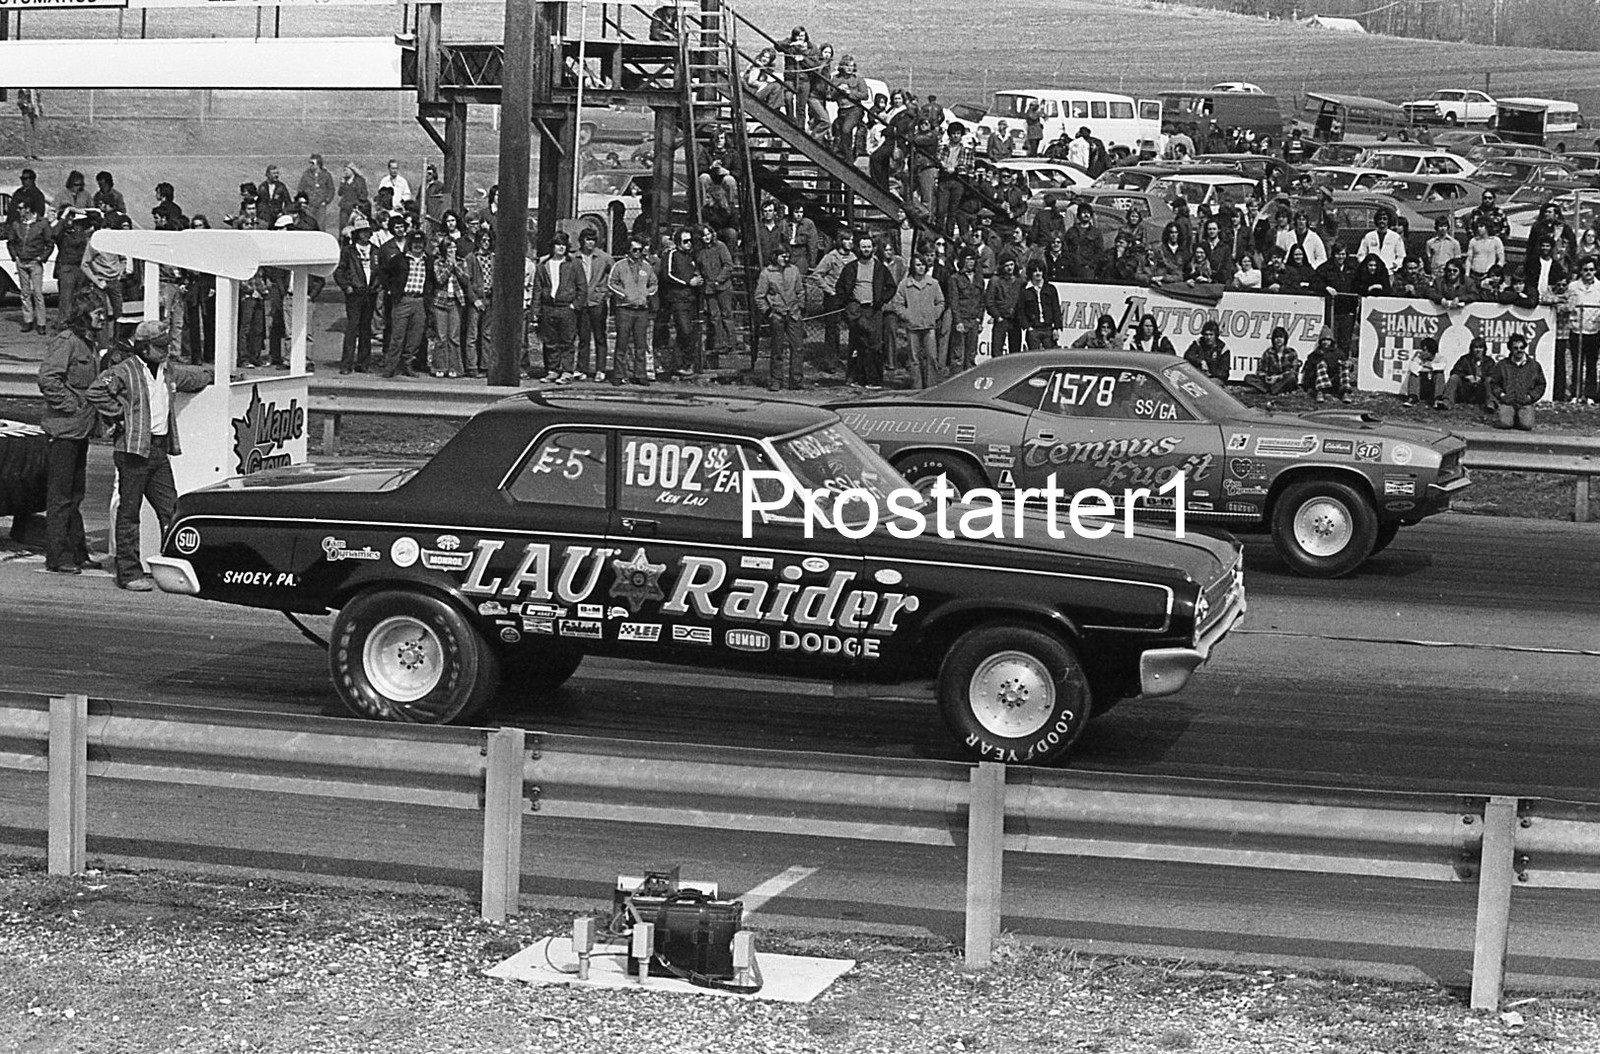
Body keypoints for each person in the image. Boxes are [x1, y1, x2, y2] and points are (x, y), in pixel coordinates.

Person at [84, 320, 213, 591]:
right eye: (159, 347)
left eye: (166, 346)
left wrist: (212, 376)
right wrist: (120, 414)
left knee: (172, 510)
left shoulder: (167, 371)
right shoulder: (123, 370)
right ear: (143, 348)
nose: (165, 351)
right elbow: (95, 391)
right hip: (132, 450)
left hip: (157, 450)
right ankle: (129, 573)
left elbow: (191, 378)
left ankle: (180, 566)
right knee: (129, 514)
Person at [36, 291, 105, 574]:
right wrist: (72, 406)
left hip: (80, 431)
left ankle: (77, 551)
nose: (102, 316)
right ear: (83, 316)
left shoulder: (87, 343)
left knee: (75, 495)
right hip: (64, 431)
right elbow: (48, 378)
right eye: (97, 312)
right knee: (61, 496)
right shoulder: (67, 342)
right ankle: (58, 555)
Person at [836, 232, 893, 386]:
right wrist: (847, 305)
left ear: (873, 249)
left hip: (874, 310)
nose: (866, 249)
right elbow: (840, 288)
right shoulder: (851, 268)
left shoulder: (880, 268)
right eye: (863, 247)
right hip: (856, 310)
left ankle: (874, 380)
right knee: (857, 345)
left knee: (874, 345)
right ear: (858, 249)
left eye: (868, 247)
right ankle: (855, 378)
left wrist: (881, 300)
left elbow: (891, 287)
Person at [532, 231, 588, 383]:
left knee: (567, 341)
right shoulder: (543, 265)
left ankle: (566, 371)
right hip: (548, 307)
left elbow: (582, 287)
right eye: (558, 244)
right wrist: (536, 311)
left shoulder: (574, 264)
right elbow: (537, 289)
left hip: (566, 308)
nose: (561, 247)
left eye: (564, 245)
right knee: (550, 342)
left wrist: (574, 306)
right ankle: (552, 370)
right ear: (552, 247)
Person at [889, 253, 945, 388]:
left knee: (931, 356)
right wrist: (908, 316)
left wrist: (934, 315)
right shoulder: (905, 284)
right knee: (914, 359)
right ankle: (917, 386)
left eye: (923, 265)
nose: (921, 268)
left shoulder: (933, 283)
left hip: (929, 326)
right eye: (918, 265)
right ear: (913, 267)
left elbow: (940, 302)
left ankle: (931, 385)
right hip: (913, 326)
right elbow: (897, 304)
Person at [607, 236, 657, 386]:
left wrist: (646, 294)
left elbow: (653, 283)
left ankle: (640, 374)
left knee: (640, 344)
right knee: (621, 343)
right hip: (624, 309)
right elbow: (612, 282)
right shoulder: (620, 266)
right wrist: (624, 295)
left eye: (640, 250)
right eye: (634, 249)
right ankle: (619, 374)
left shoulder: (647, 267)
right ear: (628, 250)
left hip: (641, 310)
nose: (637, 252)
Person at [380, 230, 430, 378]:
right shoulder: (400, 259)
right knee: (397, 336)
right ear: (410, 244)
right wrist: (390, 289)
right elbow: (384, 272)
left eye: (420, 244)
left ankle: (408, 364)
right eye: (414, 244)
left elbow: (431, 281)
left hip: (420, 301)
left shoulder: (428, 260)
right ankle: (390, 367)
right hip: (403, 300)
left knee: (415, 337)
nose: (417, 247)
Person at [333, 214, 379, 374]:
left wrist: (376, 286)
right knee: (352, 328)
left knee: (366, 330)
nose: (365, 234)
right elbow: (339, 272)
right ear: (356, 234)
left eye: (367, 231)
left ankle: (363, 363)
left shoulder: (375, 251)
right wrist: (347, 287)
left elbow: (380, 272)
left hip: (369, 293)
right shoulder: (349, 251)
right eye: (362, 232)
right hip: (355, 294)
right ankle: (346, 364)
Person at [658, 227, 703, 377]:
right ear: (678, 242)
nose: (689, 244)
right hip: (678, 299)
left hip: (691, 299)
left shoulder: (691, 256)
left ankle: (682, 364)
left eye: (691, 241)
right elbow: (667, 275)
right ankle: (680, 363)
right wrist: (687, 282)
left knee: (689, 332)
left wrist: (697, 279)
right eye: (685, 241)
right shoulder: (672, 254)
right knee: (684, 330)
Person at [5, 198, 53, 335]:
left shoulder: (41, 224)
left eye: (21, 208)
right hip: (22, 261)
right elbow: (11, 242)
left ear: (28, 209)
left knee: (38, 293)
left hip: (34, 262)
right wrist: (15, 256)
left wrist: (42, 258)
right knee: (24, 293)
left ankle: (41, 322)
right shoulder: (17, 224)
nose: (18, 211)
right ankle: (28, 320)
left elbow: (49, 243)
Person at [573, 227, 614, 380]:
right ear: (582, 241)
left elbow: (615, 275)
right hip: (581, 301)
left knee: (600, 336)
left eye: (593, 240)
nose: (590, 243)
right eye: (587, 239)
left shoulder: (604, 257)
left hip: (597, 302)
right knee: (583, 337)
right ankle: (582, 368)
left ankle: (600, 369)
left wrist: (605, 293)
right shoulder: (575, 257)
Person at [694, 223, 734, 370]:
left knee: (726, 314)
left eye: (708, 234)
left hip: (722, 286)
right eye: (703, 235)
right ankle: (719, 343)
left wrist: (719, 279)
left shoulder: (721, 247)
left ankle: (730, 342)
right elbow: (698, 267)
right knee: (714, 316)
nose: (706, 237)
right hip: (709, 288)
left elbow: (728, 265)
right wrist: (699, 276)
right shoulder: (699, 252)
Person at [1490, 332, 1545, 430]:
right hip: (1508, 402)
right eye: (1516, 348)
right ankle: (1510, 417)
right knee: (1505, 424)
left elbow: (1541, 384)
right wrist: (1501, 395)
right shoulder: (1502, 365)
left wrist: (1531, 397)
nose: (1519, 350)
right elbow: (1494, 383)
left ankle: (1519, 418)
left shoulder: (1534, 365)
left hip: (1524, 402)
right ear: (1510, 349)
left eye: (1522, 347)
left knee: (1526, 426)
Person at [1567, 255, 1600, 404]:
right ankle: (1576, 393)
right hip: (1576, 329)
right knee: (1577, 363)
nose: (1588, 272)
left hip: (1593, 330)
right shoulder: (1573, 286)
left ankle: (1590, 395)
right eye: (1585, 270)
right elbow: (1568, 304)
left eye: (1591, 270)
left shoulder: (1599, 287)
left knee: (1591, 364)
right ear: (1580, 271)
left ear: (1595, 271)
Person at [461, 227, 494, 378]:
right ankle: (472, 366)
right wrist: (474, 300)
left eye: (488, 240)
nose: (486, 243)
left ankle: (485, 365)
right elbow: (467, 282)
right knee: (472, 334)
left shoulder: (493, 258)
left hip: (490, 298)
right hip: (476, 298)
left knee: (487, 334)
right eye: (483, 240)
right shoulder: (471, 258)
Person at [946, 252, 985, 372]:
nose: (971, 262)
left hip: (974, 320)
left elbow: (982, 301)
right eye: (968, 259)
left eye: (973, 259)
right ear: (962, 261)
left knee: (971, 355)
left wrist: (979, 319)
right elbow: (954, 301)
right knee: (958, 356)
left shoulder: (979, 278)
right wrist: (958, 321)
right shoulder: (955, 278)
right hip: (961, 320)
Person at [1439, 336, 1494, 410]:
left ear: (1484, 350)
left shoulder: (1489, 361)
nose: (1478, 350)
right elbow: (1455, 371)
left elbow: (1493, 375)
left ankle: (1490, 404)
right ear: (1472, 349)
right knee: (1454, 377)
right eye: (1476, 347)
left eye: (1480, 347)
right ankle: (1447, 402)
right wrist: (1466, 377)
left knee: (1489, 380)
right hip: (1466, 390)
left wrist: (1481, 379)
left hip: (1481, 391)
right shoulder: (1465, 359)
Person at [1017, 263, 1062, 349]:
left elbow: (1056, 309)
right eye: (1035, 271)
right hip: (1034, 329)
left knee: (1050, 356)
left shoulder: (1050, 289)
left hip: (1048, 329)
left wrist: (1056, 327)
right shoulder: (1025, 291)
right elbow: (1021, 311)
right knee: (1034, 357)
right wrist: (1028, 327)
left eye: (1040, 271)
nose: (1038, 273)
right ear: (1030, 273)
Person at [985, 256, 1024, 358]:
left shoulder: (1019, 281)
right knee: (997, 352)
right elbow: (989, 301)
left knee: (1015, 353)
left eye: (1011, 265)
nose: (1009, 268)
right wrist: (997, 316)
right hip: (1001, 319)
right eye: (1006, 266)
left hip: (1015, 320)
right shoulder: (995, 280)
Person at [1243, 326, 1300, 394]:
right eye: (1276, 337)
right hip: (1270, 381)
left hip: (1283, 380)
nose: (1279, 339)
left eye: (1281, 337)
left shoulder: (1291, 353)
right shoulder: (1268, 353)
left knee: (1291, 377)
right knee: (1248, 378)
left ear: (1285, 339)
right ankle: (1272, 390)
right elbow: (1261, 371)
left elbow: (1294, 371)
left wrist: (1278, 377)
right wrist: (1267, 378)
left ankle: (1270, 390)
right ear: (1273, 339)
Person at [1301, 326, 1347, 404]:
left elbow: (1348, 369)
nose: (1326, 342)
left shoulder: (1338, 353)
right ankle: (1321, 392)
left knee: (1344, 366)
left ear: (1332, 341)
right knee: (1321, 364)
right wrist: (1307, 386)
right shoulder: (1314, 354)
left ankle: (1345, 392)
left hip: (1334, 381)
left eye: (1328, 340)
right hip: (1317, 383)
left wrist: (1348, 364)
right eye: (1324, 340)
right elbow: (1308, 372)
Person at [1357, 210, 1406, 274]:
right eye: (1380, 219)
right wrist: (1366, 265)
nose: (1382, 221)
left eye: (1384, 219)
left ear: (1388, 221)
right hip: (1372, 272)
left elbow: (1401, 256)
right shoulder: (1369, 236)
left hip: (1388, 271)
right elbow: (1361, 254)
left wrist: (1395, 265)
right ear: (1376, 220)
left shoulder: (1395, 237)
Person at [1401, 336, 1444, 406]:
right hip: (1422, 387)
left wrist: (1425, 366)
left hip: (1433, 388)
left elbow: (1442, 366)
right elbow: (1413, 367)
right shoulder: (1419, 357)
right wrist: (1428, 367)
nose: (1422, 352)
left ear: (1431, 351)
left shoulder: (1440, 358)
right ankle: (1413, 398)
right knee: (1414, 374)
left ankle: (1437, 399)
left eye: (1424, 350)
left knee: (1439, 374)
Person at [1464, 217, 1505, 292]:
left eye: (1481, 226)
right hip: (1474, 275)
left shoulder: (1496, 241)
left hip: (1488, 276)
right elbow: (1469, 260)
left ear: (1487, 227)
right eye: (1478, 226)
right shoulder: (1473, 241)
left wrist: (1495, 274)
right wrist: (1467, 275)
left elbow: (1501, 259)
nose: (1479, 229)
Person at [337, 162, 370, 233]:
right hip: (345, 207)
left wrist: (358, 204)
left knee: (355, 226)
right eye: (344, 170)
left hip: (355, 208)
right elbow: (340, 193)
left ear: (352, 170)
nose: (345, 172)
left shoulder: (359, 181)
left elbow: (364, 194)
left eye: (346, 170)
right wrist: (342, 183)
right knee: (343, 226)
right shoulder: (344, 180)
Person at [17, 89, 43, 162]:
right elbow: (19, 102)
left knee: (36, 133)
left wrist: (39, 108)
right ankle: (28, 154)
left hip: (35, 112)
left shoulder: (36, 90)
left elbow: (39, 100)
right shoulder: (23, 90)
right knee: (28, 133)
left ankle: (35, 154)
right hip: (27, 112)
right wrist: (25, 104)